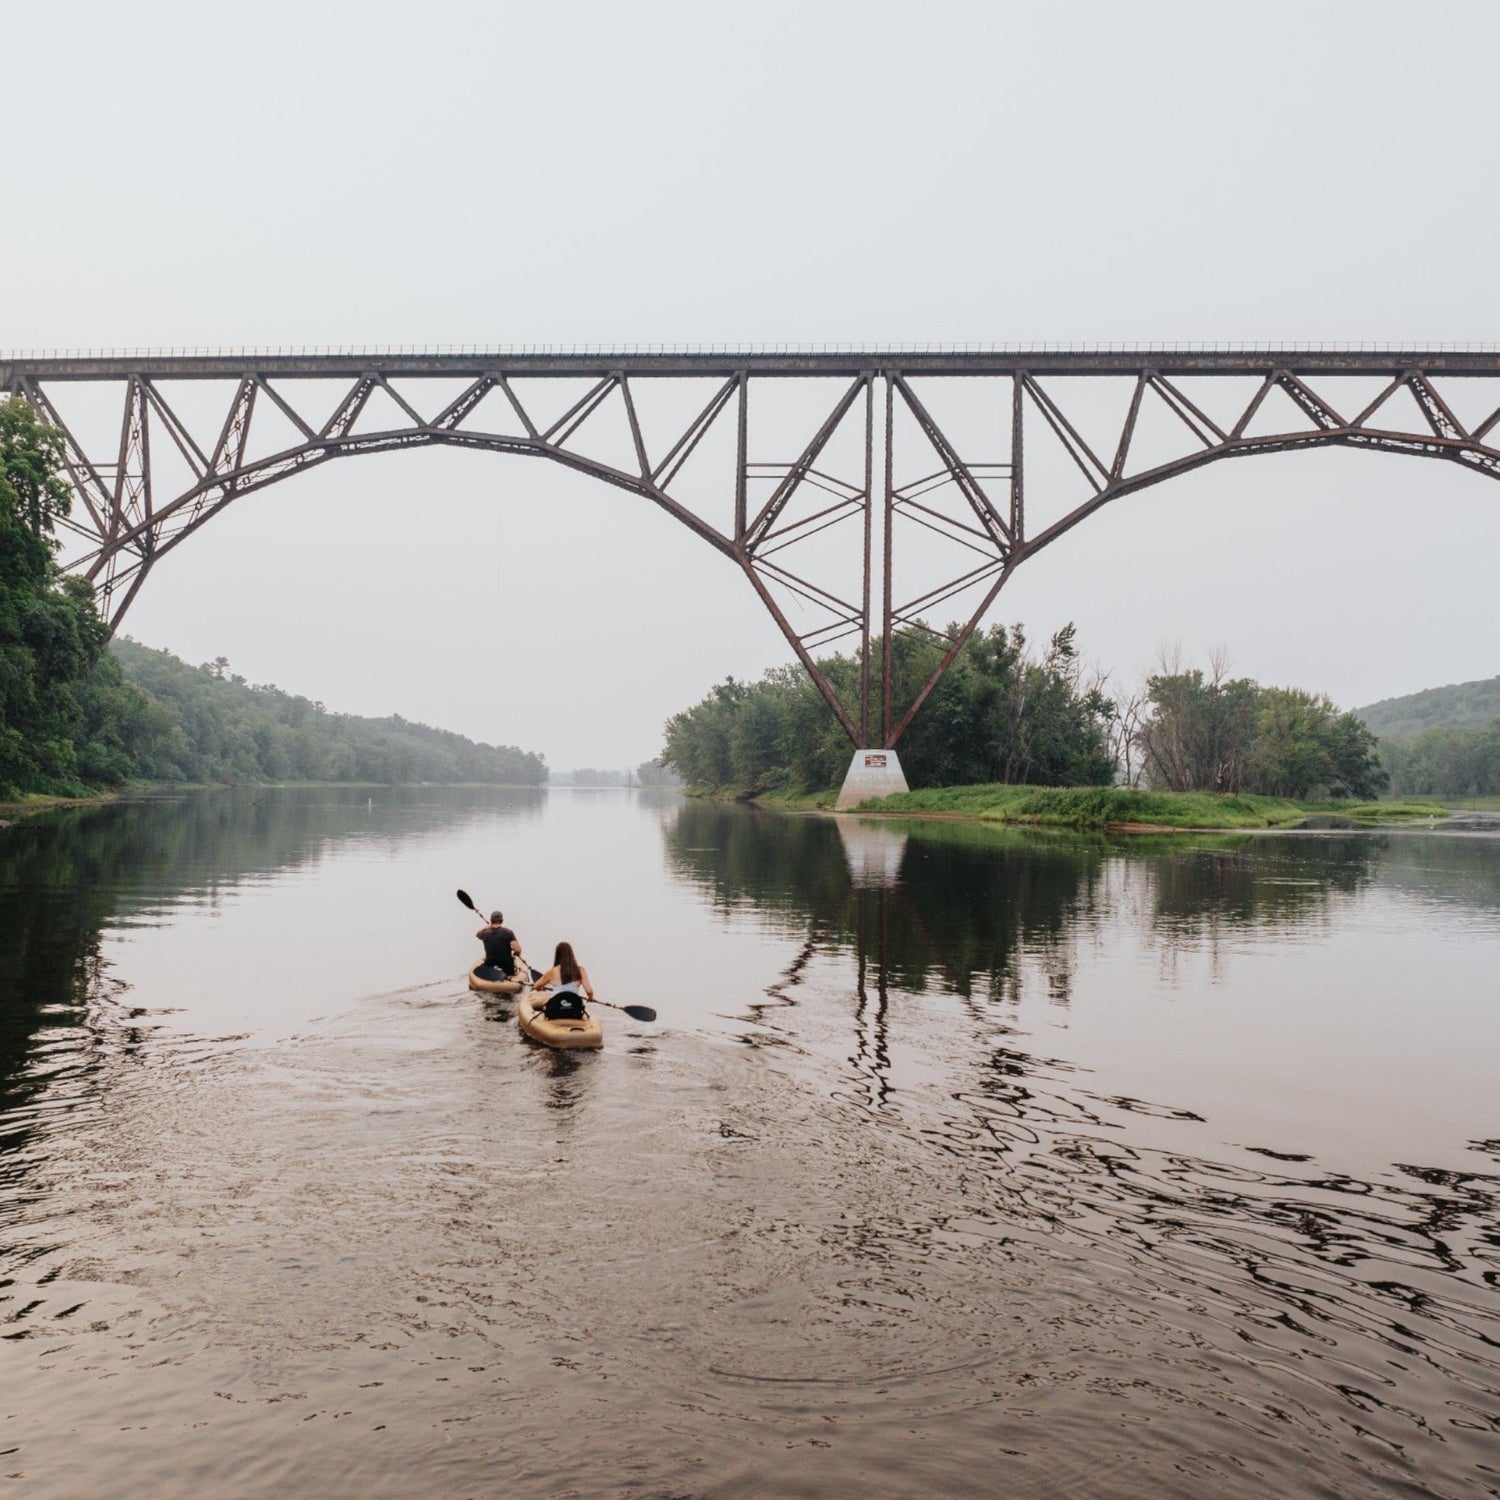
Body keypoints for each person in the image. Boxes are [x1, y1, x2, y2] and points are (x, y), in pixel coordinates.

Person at [531, 941, 595, 1020]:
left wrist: (541, 988)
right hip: (574, 1009)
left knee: (537, 1003)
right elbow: (589, 991)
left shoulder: (552, 971)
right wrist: (590, 997)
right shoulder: (580, 970)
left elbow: (536, 986)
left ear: (557, 955)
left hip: (556, 1009)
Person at [475, 910, 525, 982]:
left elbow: (477, 934)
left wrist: (487, 927)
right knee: (510, 970)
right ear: (502, 920)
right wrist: (515, 955)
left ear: (491, 921)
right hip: (507, 965)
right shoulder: (508, 932)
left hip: (490, 964)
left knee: (486, 965)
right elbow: (517, 949)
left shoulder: (485, 933)